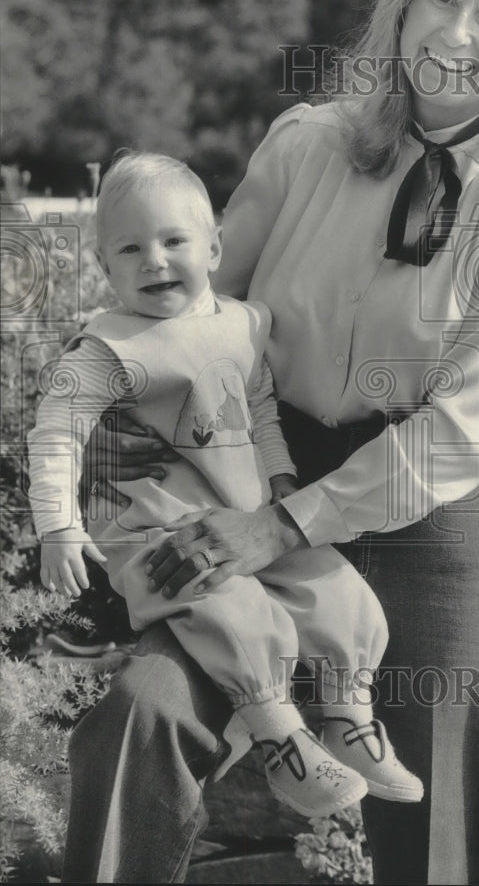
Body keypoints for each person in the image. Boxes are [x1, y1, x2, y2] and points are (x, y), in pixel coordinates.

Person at [62, 0, 479, 884]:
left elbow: (465, 427)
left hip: (444, 522)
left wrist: (286, 527)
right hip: (259, 477)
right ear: (401, 3)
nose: (455, 30)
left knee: (439, 827)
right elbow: (200, 323)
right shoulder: (305, 143)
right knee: (143, 716)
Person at [27, 151, 423, 822]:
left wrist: (279, 477)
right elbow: (55, 432)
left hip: (248, 513)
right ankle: (280, 741)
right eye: (130, 248)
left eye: (173, 241)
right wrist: (58, 526)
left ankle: (346, 718)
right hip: (161, 526)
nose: (154, 260)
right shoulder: (109, 348)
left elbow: (259, 407)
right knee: (235, 613)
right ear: (104, 268)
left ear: (213, 249)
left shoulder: (242, 324)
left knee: (341, 593)